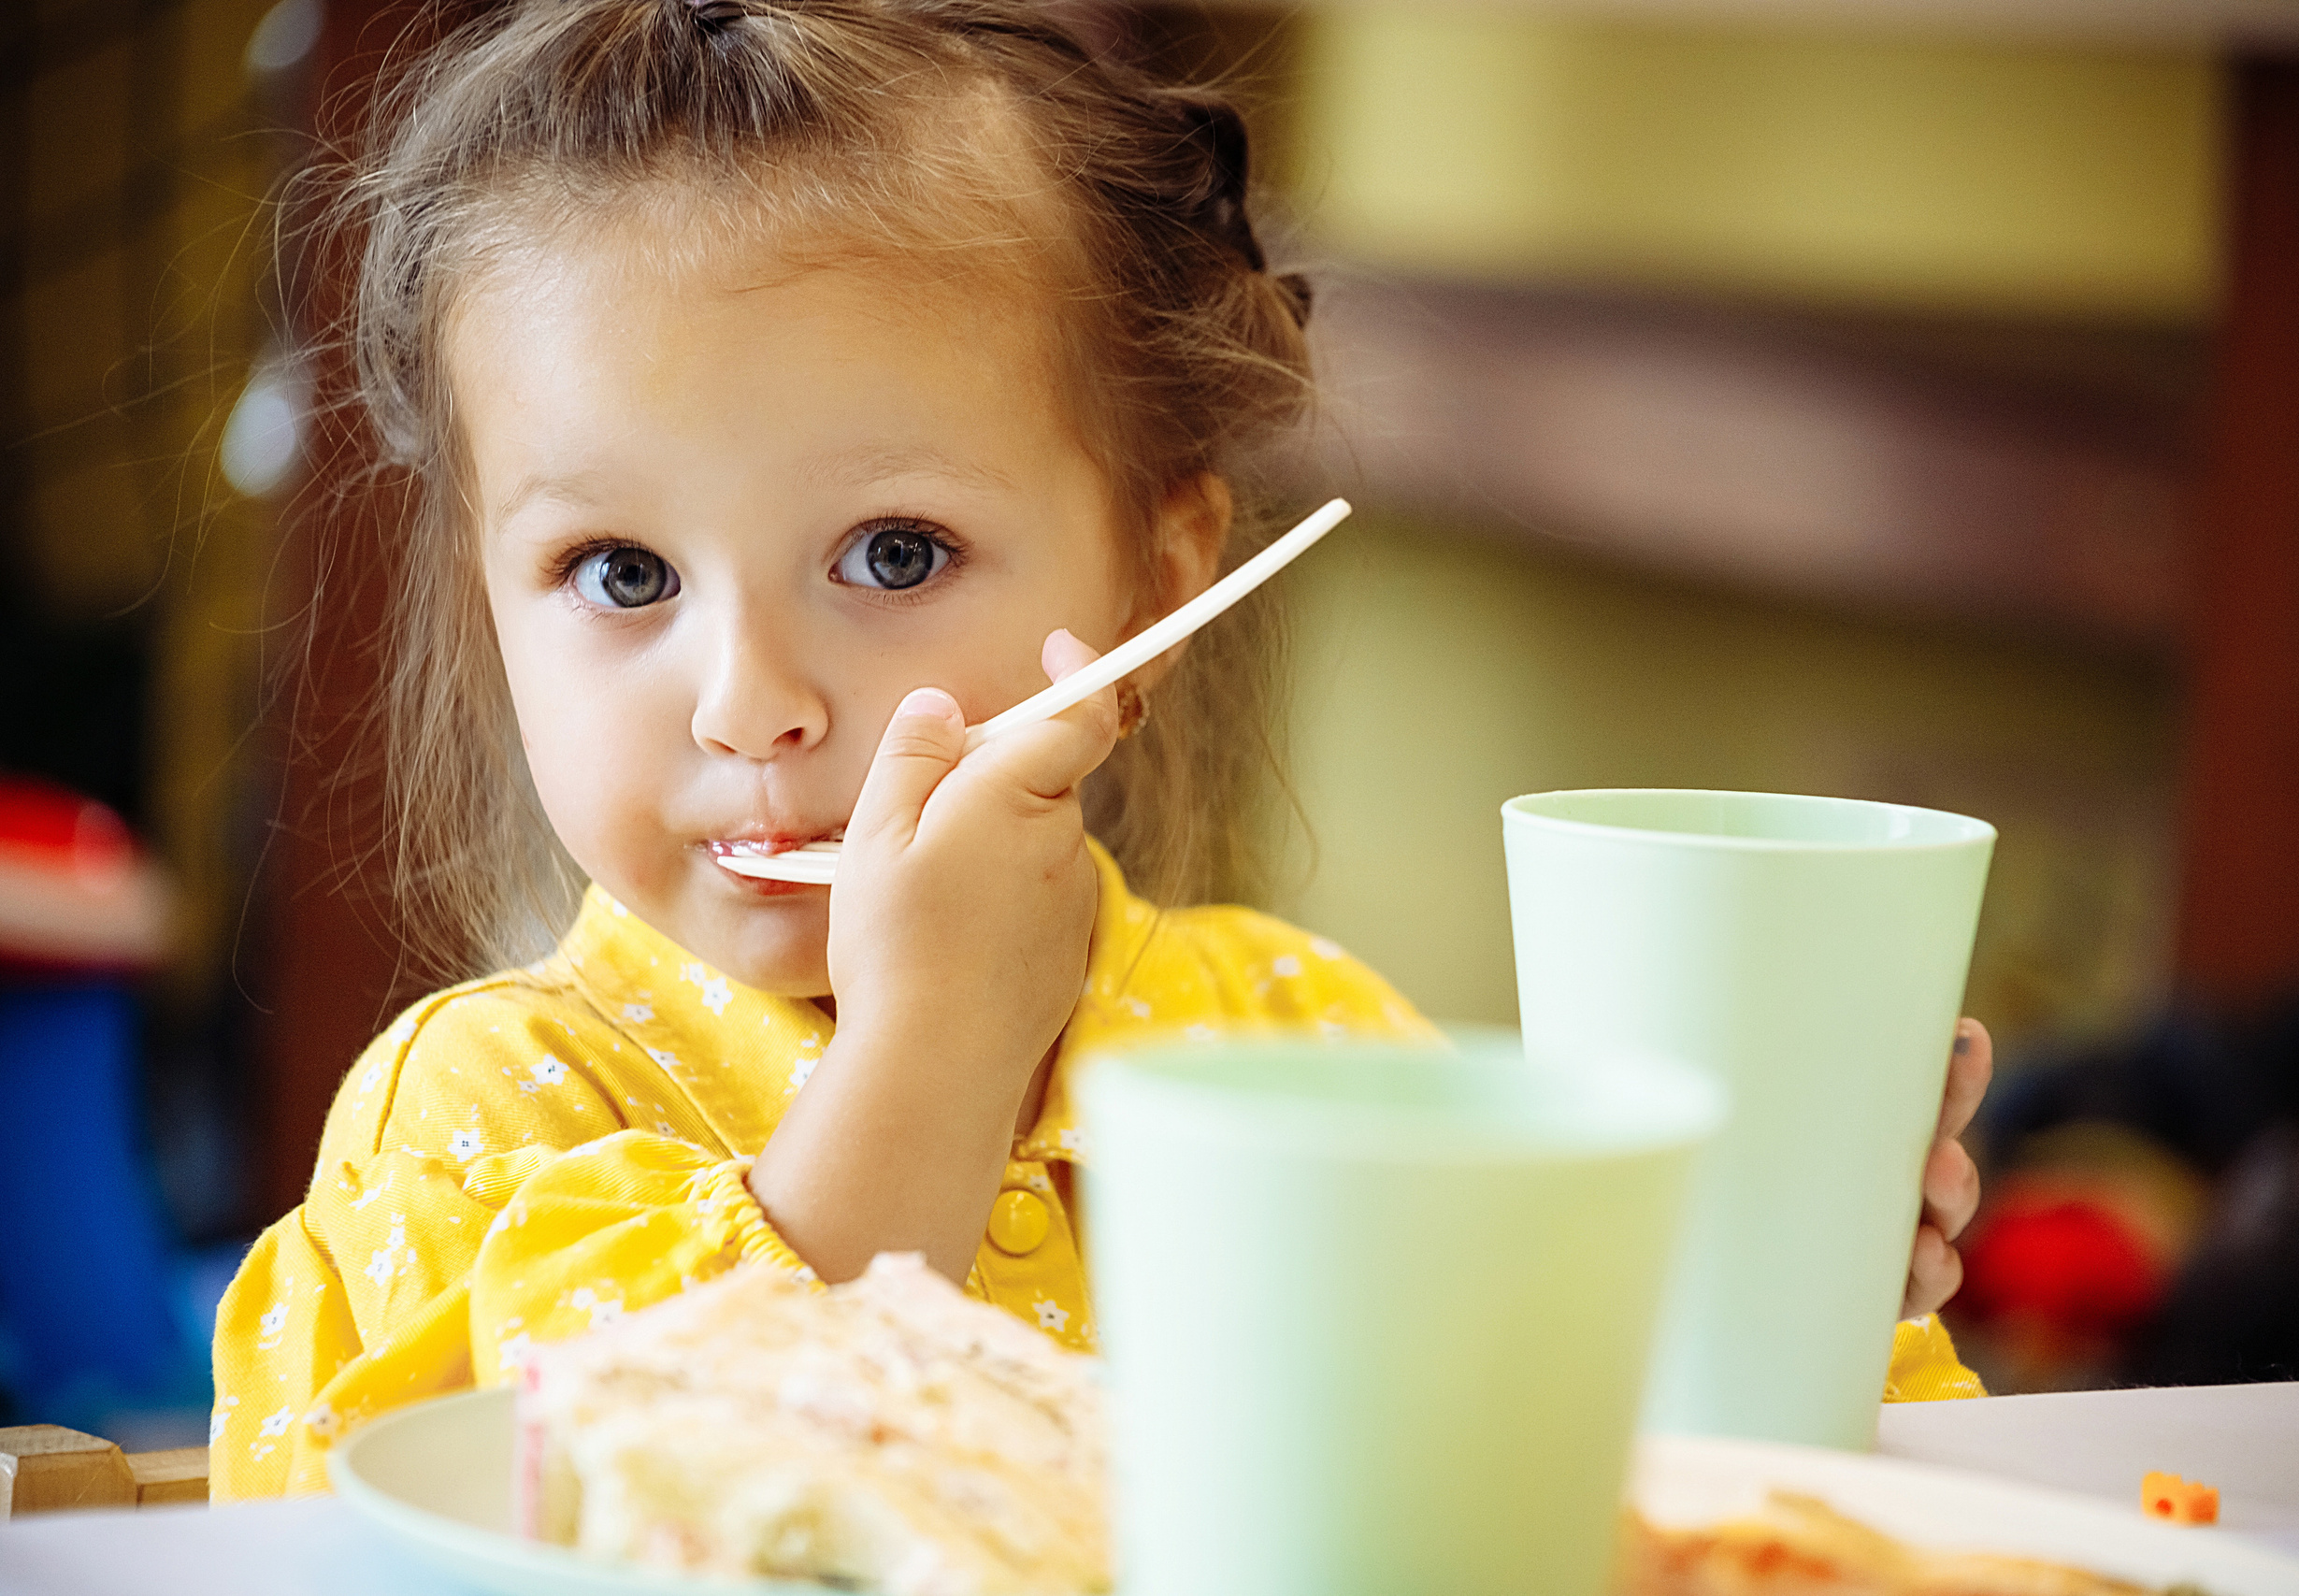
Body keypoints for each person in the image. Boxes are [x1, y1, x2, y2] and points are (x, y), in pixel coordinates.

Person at [211, 0, 1990, 1499]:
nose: (747, 703)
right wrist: (931, 1049)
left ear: (1158, 580)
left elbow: (1594, 1499)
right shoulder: (487, 1121)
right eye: (621, 573)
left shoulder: (1294, 1047)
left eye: (892, 556)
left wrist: (1771, 1303)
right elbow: (671, 1497)